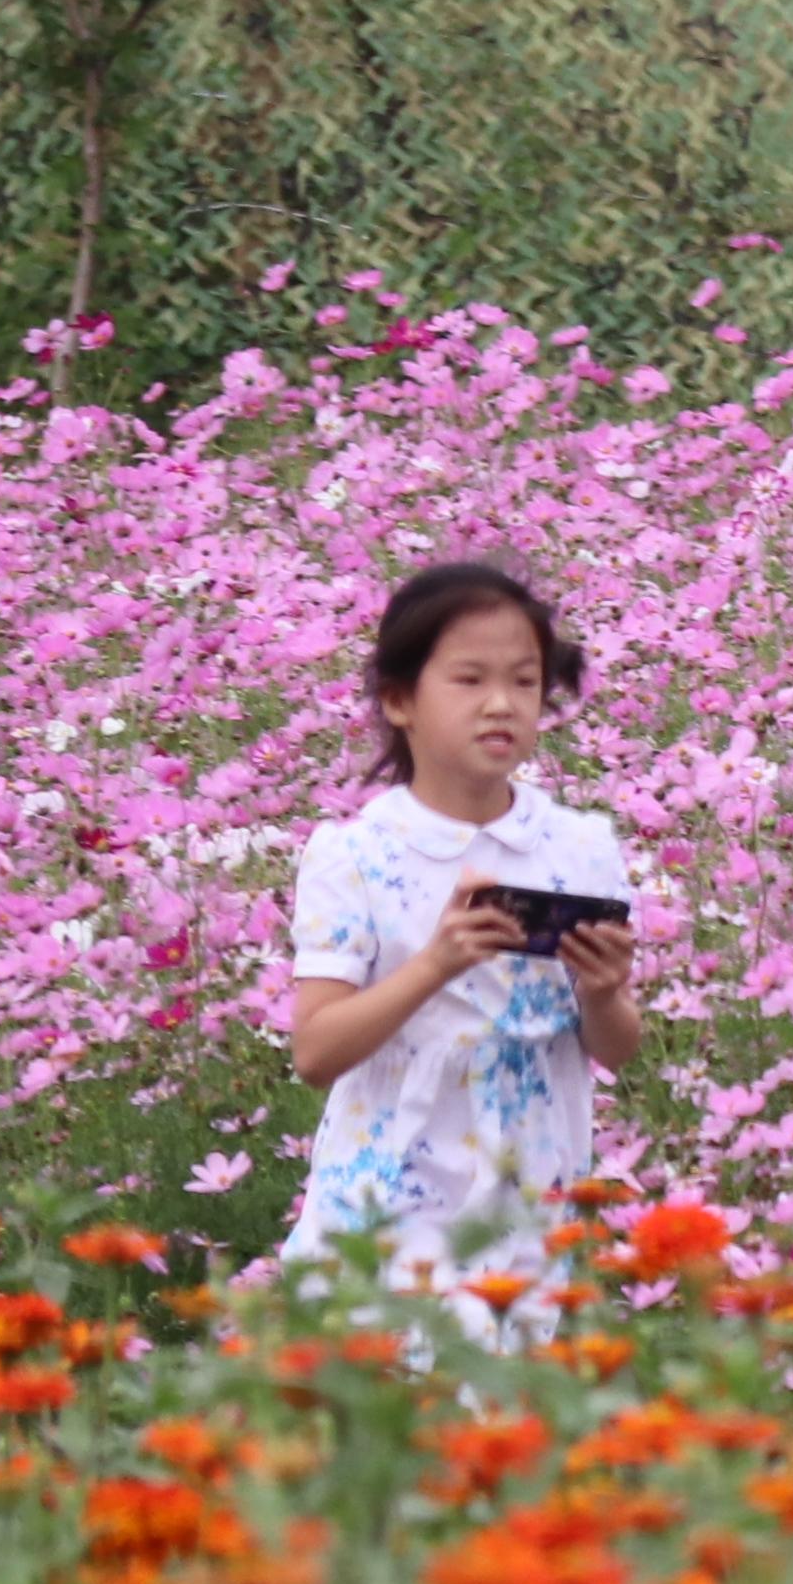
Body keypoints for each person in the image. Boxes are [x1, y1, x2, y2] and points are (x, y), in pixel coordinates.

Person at [281, 560, 644, 1336]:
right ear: (399, 700)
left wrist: (605, 992)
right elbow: (315, 1051)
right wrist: (436, 965)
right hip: (386, 1201)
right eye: (469, 679)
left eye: (524, 680)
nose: (501, 705)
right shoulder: (356, 855)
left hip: (530, 1197)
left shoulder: (578, 845)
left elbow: (616, 1051)